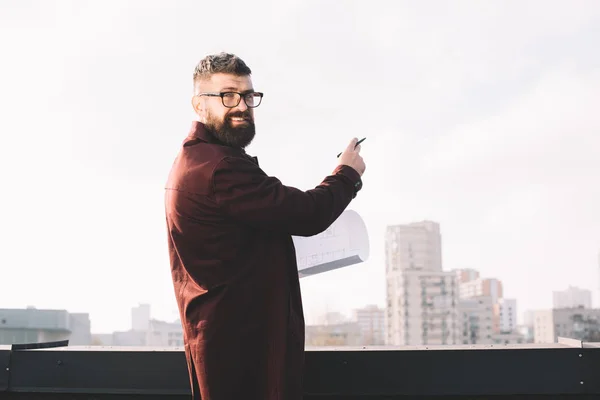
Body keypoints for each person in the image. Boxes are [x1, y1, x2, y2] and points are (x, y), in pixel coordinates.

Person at [164, 52, 366, 400]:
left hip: (227, 345)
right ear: (199, 105)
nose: (242, 105)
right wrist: (347, 173)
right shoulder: (219, 167)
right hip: (243, 355)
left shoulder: (195, 161)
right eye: (228, 95)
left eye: (248, 96)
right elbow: (306, 212)